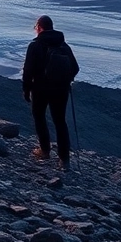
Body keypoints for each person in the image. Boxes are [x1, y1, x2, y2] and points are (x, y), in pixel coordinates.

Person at [21, 15, 79, 171]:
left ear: (39, 27)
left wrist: (26, 89)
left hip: (40, 89)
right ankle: (64, 160)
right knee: (60, 122)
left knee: (39, 117)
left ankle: (44, 151)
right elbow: (75, 68)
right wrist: (65, 80)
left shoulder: (35, 45)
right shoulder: (64, 46)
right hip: (60, 90)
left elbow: (28, 70)